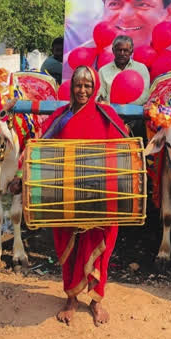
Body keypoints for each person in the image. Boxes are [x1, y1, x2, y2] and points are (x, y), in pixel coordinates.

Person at [37, 65, 129, 325]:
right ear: (71, 86)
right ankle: (71, 298)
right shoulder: (60, 117)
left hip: (100, 197)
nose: (82, 90)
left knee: (100, 250)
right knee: (69, 246)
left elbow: (125, 148)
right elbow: (40, 148)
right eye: (78, 84)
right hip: (66, 196)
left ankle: (96, 302)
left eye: (88, 85)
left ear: (96, 87)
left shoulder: (106, 114)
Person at [97, 35, 150, 104]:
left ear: (131, 52)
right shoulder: (103, 71)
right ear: (113, 50)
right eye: (119, 50)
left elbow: (144, 96)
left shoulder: (141, 68)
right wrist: (103, 101)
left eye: (125, 50)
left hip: (135, 112)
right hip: (110, 112)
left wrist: (124, 106)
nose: (122, 53)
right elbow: (99, 95)